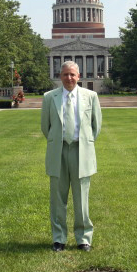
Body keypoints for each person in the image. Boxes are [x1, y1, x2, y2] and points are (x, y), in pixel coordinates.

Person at [40, 60, 102, 252]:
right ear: (60, 77)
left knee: (81, 198)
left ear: (79, 76)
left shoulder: (90, 96)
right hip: (58, 151)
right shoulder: (50, 97)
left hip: (80, 151)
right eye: (66, 74)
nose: (69, 78)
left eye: (72, 75)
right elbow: (45, 127)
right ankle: (59, 238)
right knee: (57, 199)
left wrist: (83, 142)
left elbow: (95, 126)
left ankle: (83, 238)